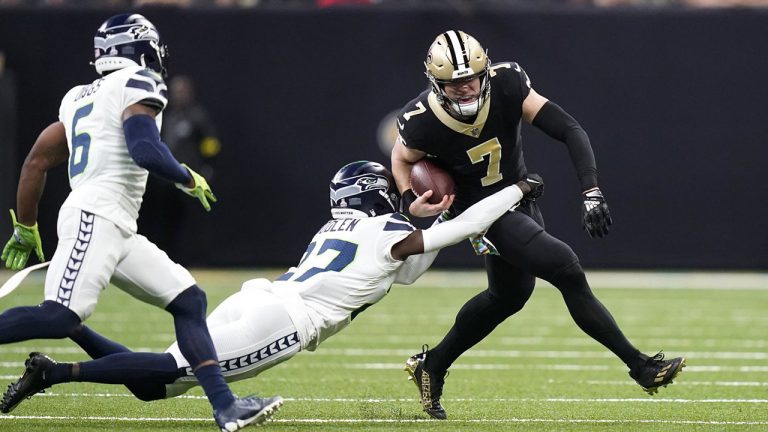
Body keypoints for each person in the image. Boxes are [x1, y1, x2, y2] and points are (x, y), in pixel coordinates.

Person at [0, 161, 542, 413]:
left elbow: (405, 270)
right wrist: (517, 188)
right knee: (169, 371)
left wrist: (425, 217)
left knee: (156, 385)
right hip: (285, 321)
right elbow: (464, 227)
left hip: (259, 298)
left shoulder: (338, 228)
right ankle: (54, 374)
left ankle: (67, 343)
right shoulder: (388, 234)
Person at [0, 14, 278, 431]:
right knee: (59, 317)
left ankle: (226, 407)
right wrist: (186, 176)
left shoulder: (78, 97)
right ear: (140, 49)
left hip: (116, 224)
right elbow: (144, 148)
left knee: (189, 300)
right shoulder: (138, 81)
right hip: (97, 213)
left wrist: (26, 226)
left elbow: (36, 161)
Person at [390, 30, 685, 419]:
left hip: (519, 199)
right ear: (435, 83)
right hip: (480, 214)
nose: (465, 88)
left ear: (484, 71)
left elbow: (569, 129)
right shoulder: (421, 119)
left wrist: (591, 190)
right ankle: (640, 366)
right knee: (566, 267)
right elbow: (401, 157)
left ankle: (433, 364)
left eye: (471, 78)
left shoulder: (508, 83)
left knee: (509, 296)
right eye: (453, 83)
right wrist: (410, 199)